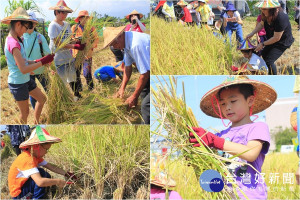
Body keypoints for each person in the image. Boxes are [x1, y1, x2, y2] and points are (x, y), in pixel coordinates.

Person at [189, 76, 277, 199]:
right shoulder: (220, 135)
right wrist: (195, 155)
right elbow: (212, 164)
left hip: (250, 195)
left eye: (233, 101)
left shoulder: (257, 128)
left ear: (250, 100)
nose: (227, 107)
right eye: (223, 103)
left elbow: (251, 153)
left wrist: (216, 141)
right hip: (225, 195)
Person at [2, 7, 54, 124]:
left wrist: (40, 60)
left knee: (42, 99)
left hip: (25, 80)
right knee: (25, 113)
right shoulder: (13, 43)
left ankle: (36, 123)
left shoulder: (17, 39)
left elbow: (25, 61)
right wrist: (42, 62)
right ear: (19, 24)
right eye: (26, 27)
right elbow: (24, 68)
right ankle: (24, 131)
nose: (26, 31)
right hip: (18, 83)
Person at [8, 126, 77, 199]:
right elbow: (40, 182)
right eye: (46, 149)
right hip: (19, 194)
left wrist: (66, 174)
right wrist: (58, 181)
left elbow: (52, 167)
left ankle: (42, 193)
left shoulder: (35, 156)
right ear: (37, 146)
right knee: (41, 177)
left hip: (24, 187)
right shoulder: (27, 159)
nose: (46, 152)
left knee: (42, 173)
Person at [103, 26, 150, 124]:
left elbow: (145, 73)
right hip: (148, 70)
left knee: (146, 105)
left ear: (120, 36)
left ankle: (146, 126)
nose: (114, 47)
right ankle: (147, 118)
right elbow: (128, 67)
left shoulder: (135, 45)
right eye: (111, 45)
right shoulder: (126, 43)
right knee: (143, 92)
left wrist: (134, 96)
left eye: (114, 44)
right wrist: (122, 88)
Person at [48, 0, 85, 101]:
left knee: (72, 76)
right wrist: (75, 47)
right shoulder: (53, 26)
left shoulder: (66, 24)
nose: (65, 15)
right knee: (61, 80)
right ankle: (62, 100)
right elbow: (59, 44)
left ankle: (76, 95)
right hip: (58, 58)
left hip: (67, 56)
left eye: (66, 13)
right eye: (63, 12)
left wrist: (77, 41)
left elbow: (69, 39)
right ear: (56, 12)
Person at [246, 0, 294, 75]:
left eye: (264, 9)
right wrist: (252, 33)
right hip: (272, 38)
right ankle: (270, 71)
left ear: (272, 9)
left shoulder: (281, 18)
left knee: (269, 60)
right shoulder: (265, 15)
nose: (262, 10)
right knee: (264, 53)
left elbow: (276, 38)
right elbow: (261, 24)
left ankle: (273, 77)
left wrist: (262, 44)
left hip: (282, 42)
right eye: (261, 8)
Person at [23, 12, 51, 110]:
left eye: (32, 23)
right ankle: (36, 114)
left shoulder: (39, 37)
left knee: (50, 89)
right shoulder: (20, 39)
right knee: (33, 94)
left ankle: (54, 107)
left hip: (42, 70)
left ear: (35, 24)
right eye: (28, 23)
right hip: (28, 72)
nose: (30, 25)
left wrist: (52, 66)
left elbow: (48, 53)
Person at [71, 10, 99, 91]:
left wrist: (90, 45)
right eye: (82, 18)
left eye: (86, 18)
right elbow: (70, 39)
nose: (84, 20)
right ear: (79, 19)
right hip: (77, 54)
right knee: (77, 73)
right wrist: (77, 40)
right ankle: (79, 89)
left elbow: (96, 39)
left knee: (87, 73)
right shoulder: (74, 28)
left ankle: (91, 89)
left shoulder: (91, 28)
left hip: (87, 54)